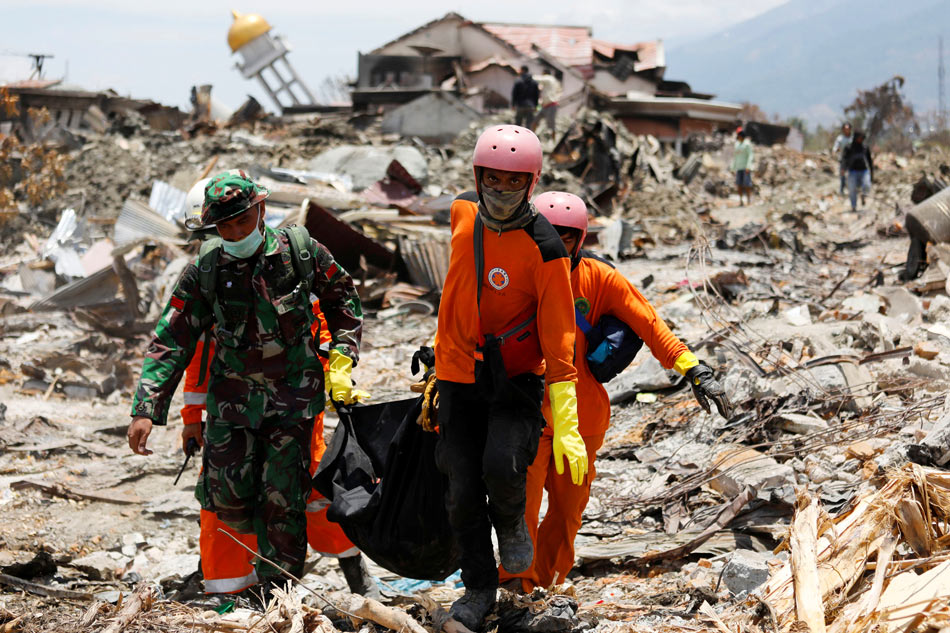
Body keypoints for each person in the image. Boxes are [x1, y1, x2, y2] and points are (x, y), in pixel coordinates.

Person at [127, 170, 363, 598]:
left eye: (242, 220)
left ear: (261, 211)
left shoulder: (300, 252)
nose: (236, 231)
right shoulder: (206, 269)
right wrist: (147, 409)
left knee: (284, 504)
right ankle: (238, 590)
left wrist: (343, 359)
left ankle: (280, 598)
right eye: (225, 225)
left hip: (293, 404)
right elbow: (173, 339)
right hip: (231, 407)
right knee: (229, 503)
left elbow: (342, 298)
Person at [498, 192, 732, 592]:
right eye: (546, 235)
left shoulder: (599, 278)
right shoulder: (514, 275)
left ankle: (548, 587)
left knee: (568, 513)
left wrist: (692, 367)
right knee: (521, 509)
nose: (554, 244)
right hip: (528, 414)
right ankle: (517, 588)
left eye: (565, 237)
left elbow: (649, 323)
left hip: (583, 418)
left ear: (580, 239)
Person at [434, 125, 586, 631]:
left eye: (513, 182)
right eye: (491, 180)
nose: (500, 191)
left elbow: (560, 333)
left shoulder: (546, 247)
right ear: (478, 178)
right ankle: (478, 588)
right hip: (457, 374)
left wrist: (566, 421)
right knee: (460, 486)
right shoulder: (461, 213)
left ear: (532, 183)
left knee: (502, 463)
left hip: (516, 379)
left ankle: (514, 526)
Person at [842, 130, 873, 212]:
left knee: (866, 185)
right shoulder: (849, 147)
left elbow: (870, 161)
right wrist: (843, 169)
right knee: (852, 189)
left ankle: (863, 196)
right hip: (852, 171)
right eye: (860, 138)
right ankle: (853, 206)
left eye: (862, 138)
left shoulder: (865, 147)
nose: (861, 139)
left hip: (864, 171)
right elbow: (844, 159)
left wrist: (872, 174)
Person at [533, 71, 562, 142]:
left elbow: (537, 79)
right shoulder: (550, 83)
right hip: (545, 106)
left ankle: (554, 141)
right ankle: (532, 137)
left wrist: (528, 76)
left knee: (551, 125)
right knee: (535, 121)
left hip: (551, 105)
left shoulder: (549, 79)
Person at [731, 128, 754, 206]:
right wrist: (732, 167)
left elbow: (750, 155)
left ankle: (749, 200)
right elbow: (735, 156)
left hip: (745, 168)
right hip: (739, 168)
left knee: (747, 184)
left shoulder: (747, 144)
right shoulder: (737, 144)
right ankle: (741, 201)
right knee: (739, 185)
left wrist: (748, 166)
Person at [832, 122, 853, 195]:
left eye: (848, 129)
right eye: (845, 129)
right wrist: (835, 151)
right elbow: (835, 147)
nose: (846, 130)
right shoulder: (840, 138)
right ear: (843, 130)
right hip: (843, 159)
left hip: (852, 160)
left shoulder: (853, 139)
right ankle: (842, 190)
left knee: (852, 175)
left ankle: (852, 189)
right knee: (842, 175)